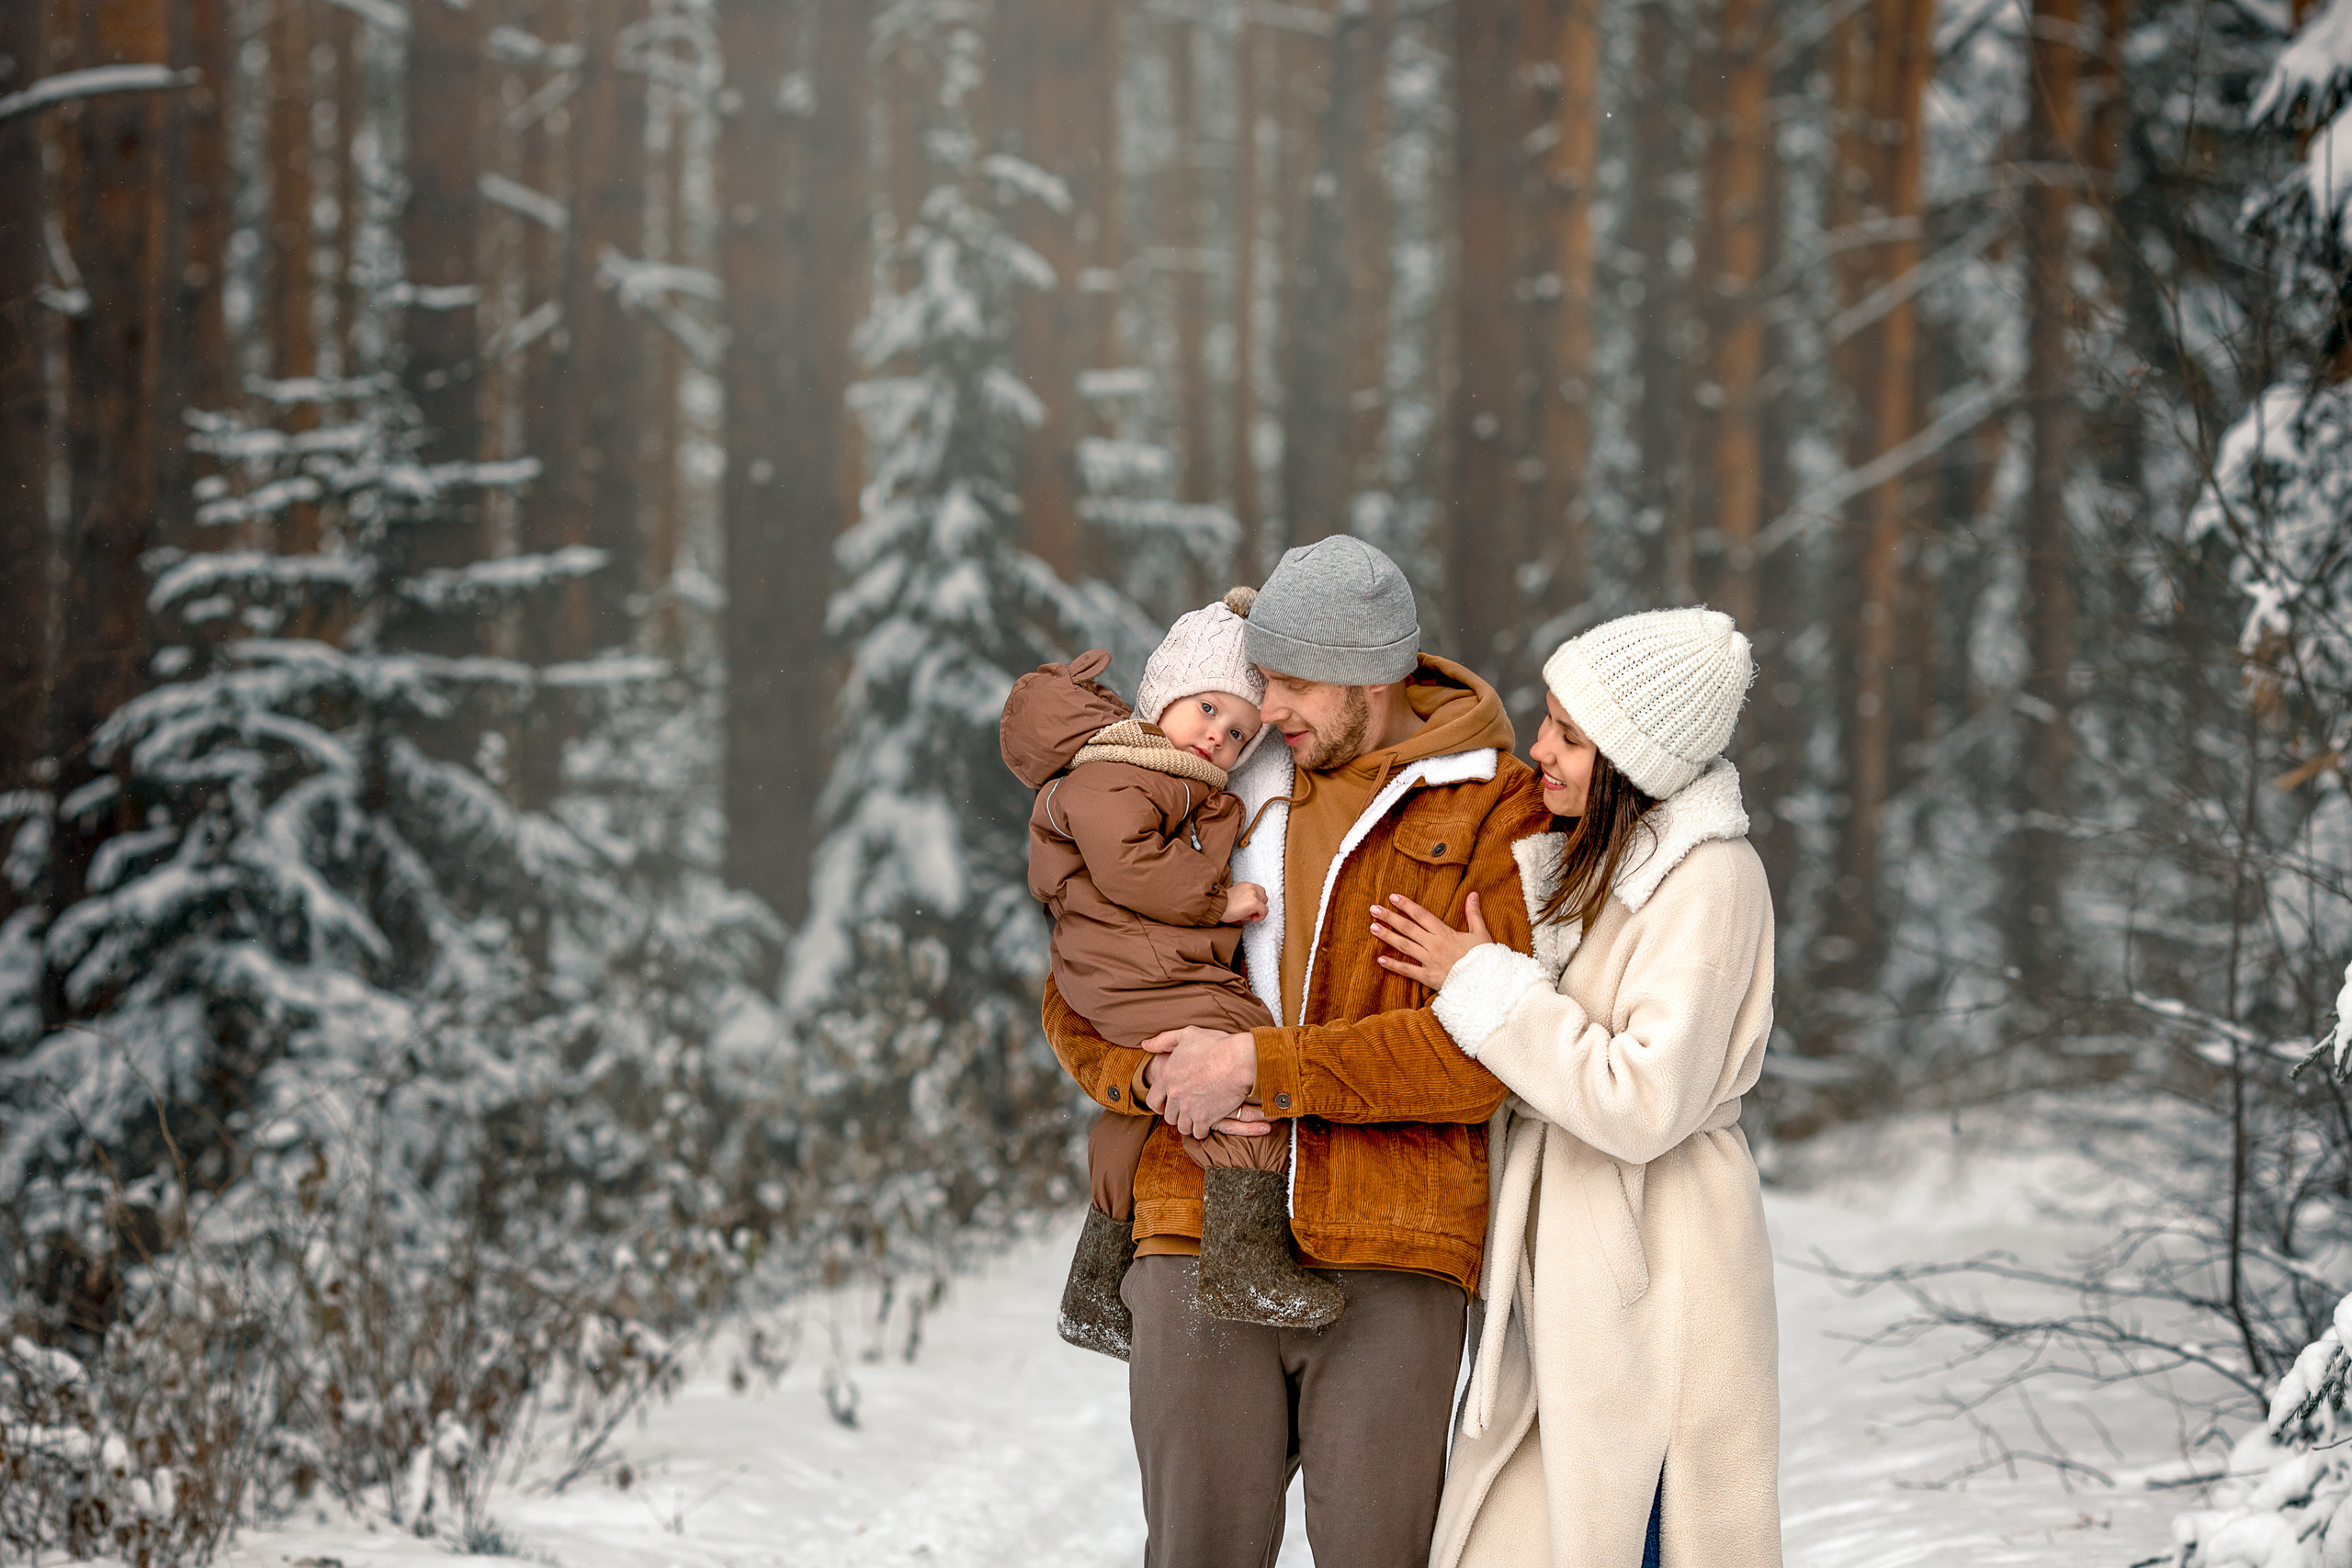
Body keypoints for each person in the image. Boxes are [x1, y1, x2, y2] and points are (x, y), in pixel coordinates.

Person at [1039, 535, 1556, 1568]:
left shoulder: (1494, 803)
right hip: (1190, 1226)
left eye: (1293, 683)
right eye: (1261, 678)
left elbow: (1480, 1056)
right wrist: (1146, 1077)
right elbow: (1080, 977)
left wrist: (1259, 1068)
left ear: (1376, 677)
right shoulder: (1219, 780)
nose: (1265, 706)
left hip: (1393, 1244)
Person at [1367, 607, 1782, 1568]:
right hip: (1569, 1266)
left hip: (1656, 1262)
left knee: (1631, 1526)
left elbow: (1640, 1100)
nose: (1539, 750)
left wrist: (1480, 983)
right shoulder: (1601, 863)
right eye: (1546, 720)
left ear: (1633, 762)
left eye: (1569, 736)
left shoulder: (1712, 879)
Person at [999, 591, 1345, 1360]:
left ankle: (1094, 1281)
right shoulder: (1116, 774)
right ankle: (1241, 1257)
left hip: (1119, 970)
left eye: (1237, 732)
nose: (1218, 737)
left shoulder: (1159, 774)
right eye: (1208, 710)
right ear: (1164, 696)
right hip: (1131, 965)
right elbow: (1130, 870)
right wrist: (1221, 899)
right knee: (1249, 1048)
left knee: (1135, 1113)